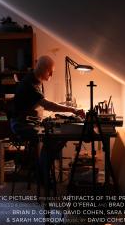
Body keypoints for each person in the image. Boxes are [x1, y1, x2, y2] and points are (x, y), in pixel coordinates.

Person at [10, 55, 84, 184]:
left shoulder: (37, 80)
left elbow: (40, 105)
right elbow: (48, 105)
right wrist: (72, 110)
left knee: (58, 137)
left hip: (30, 122)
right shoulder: (30, 84)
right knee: (53, 138)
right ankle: (42, 175)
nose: (51, 74)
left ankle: (41, 171)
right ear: (44, 69)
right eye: (51, 71)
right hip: (21, 125)